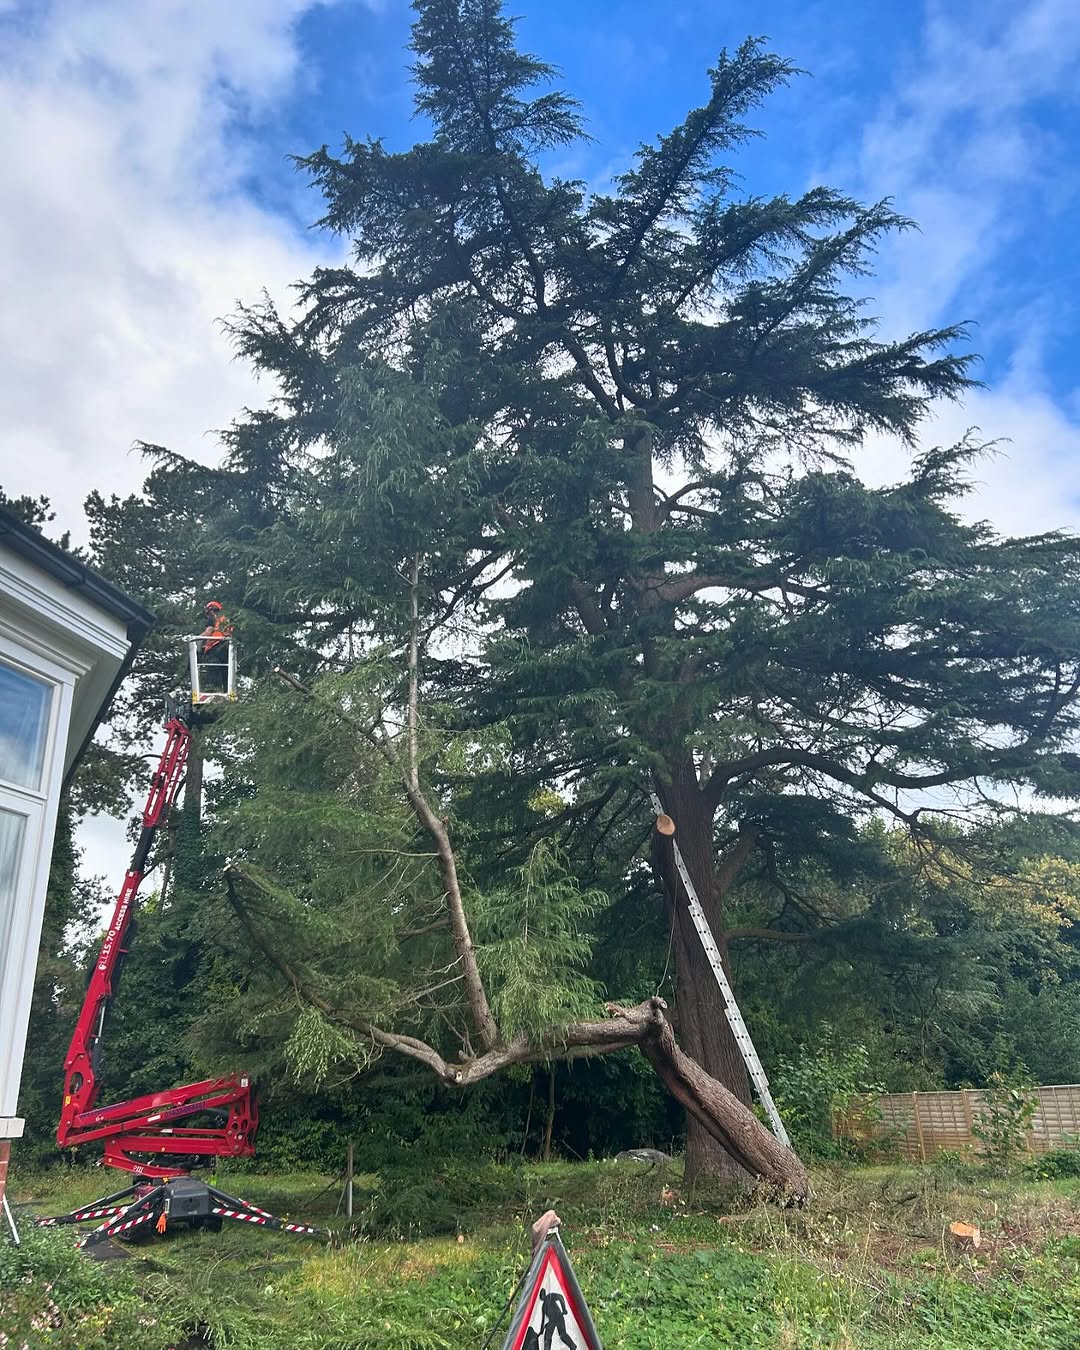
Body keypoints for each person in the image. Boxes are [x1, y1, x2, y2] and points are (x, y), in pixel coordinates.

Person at [198, 600, 233, 696]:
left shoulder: (212, 619)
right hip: (226, 646)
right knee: (226, 670)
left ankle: (211, 688)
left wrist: (197, 638)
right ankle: (226, 690)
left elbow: (208, 632)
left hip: (215, 645)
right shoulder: (225, 619)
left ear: (211, 610)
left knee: (212, 666)